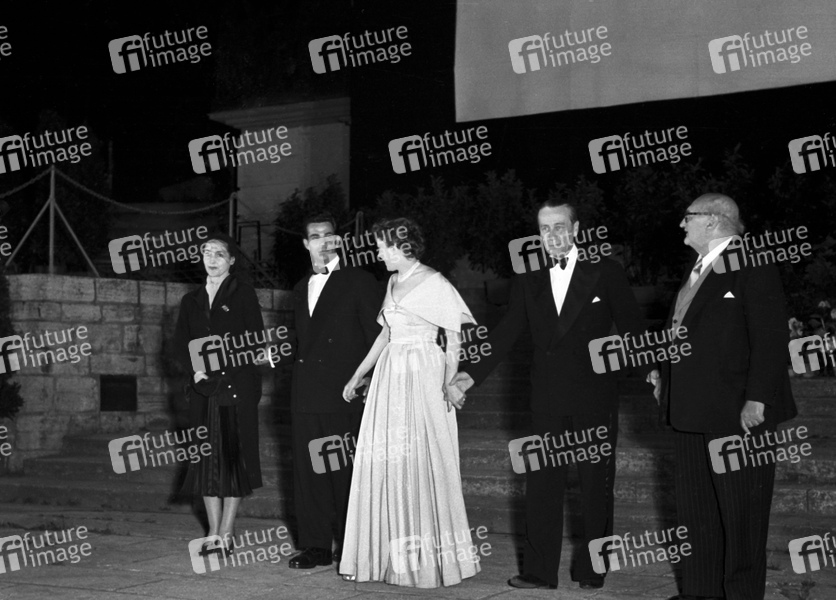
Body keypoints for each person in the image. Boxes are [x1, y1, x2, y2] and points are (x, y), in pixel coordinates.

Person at [451, 200, 656, 590]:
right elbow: (506, 332)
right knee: (541, 486)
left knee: (596, 486)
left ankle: (592, 569)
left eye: (560, 226)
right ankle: (539, 571)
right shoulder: (528, 278)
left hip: (594, 395)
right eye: (545, 229)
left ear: (576, 229)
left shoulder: (605, 272)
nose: (552, 235)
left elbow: (632, 326)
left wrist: (651, 372)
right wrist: (470, 375)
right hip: (546, 397)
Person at [654, 193, 797, 600]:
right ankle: (700, 592)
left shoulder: (753, 262)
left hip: (738, 414)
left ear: (714, 221)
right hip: (690, 411)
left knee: (742, 516)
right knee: (697, 513)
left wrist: (758, 399)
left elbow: (770, 338)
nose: (682, 225)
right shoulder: (697, 268)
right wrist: (663, 375)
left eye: (688, 217)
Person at [338, 217, 481, 588]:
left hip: (424, 373)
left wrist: (449, 381)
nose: (378, 253)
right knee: (387, 459)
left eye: (382, 247)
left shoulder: (434, 281)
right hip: (390, 375)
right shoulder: (392, 281)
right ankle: (383, 559)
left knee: (424, 457)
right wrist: (358, 375)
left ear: (402, 246)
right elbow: (385, 335)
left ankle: (427, 563)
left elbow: (454, 338)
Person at [286, 213, 382, 569]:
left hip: (345, 392)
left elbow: (377, 335)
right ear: (306, 244)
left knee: (345, 471)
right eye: (315, 236)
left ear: (338, 241)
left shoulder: (359, 280)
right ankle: (315, 546)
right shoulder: (300, 287)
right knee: (309, 473)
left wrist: (370, 378)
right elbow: (302, 341)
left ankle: (350, 544)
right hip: (306, 393)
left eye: (329, 235)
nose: (323, 242)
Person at [174, 234, 265, 548]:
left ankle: (227, 531)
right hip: (204, 389)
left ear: (231, 261)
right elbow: (180, 344)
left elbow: (254, 340)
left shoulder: (243, 293)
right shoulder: (191, 300)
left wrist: (226, 370)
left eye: (219, 254)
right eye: (207, 252)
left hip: (235, 386)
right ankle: (213, 531)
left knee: (233, 460)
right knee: (206, 462)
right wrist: (195, 371)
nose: (211, 259)